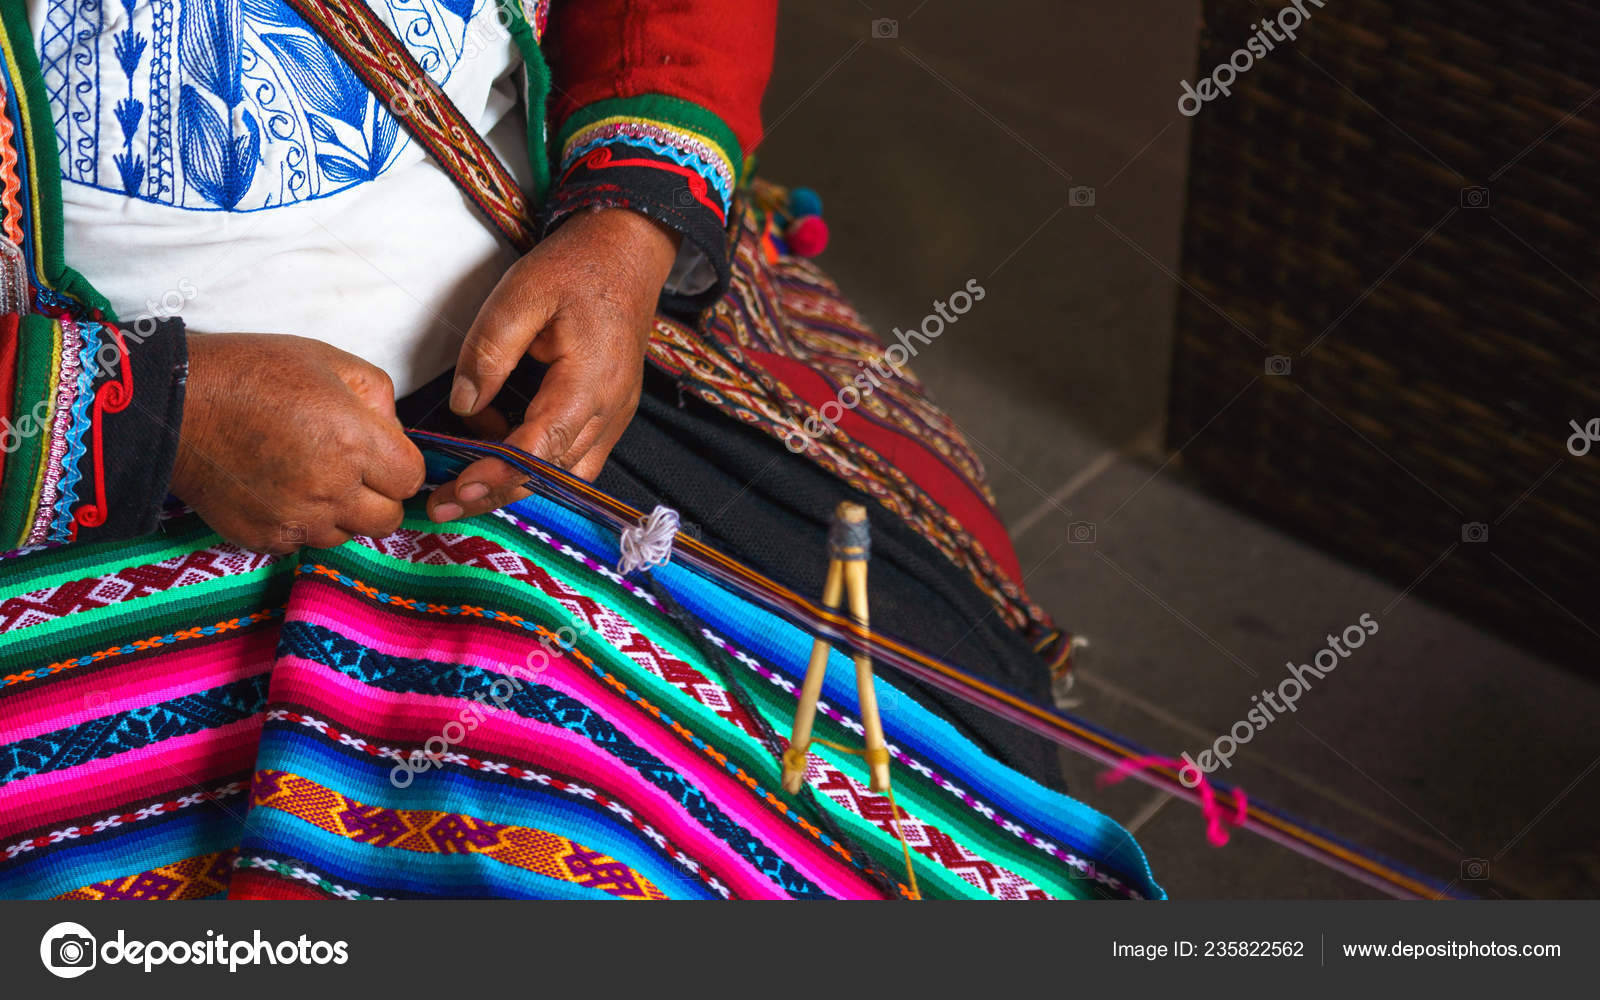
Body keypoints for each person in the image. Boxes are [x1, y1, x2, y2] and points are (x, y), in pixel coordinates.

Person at [0, 2, 1146, 901]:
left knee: (919, 733)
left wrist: (629, 224)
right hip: (92, 450)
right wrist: (155, 417)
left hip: (541, 264)